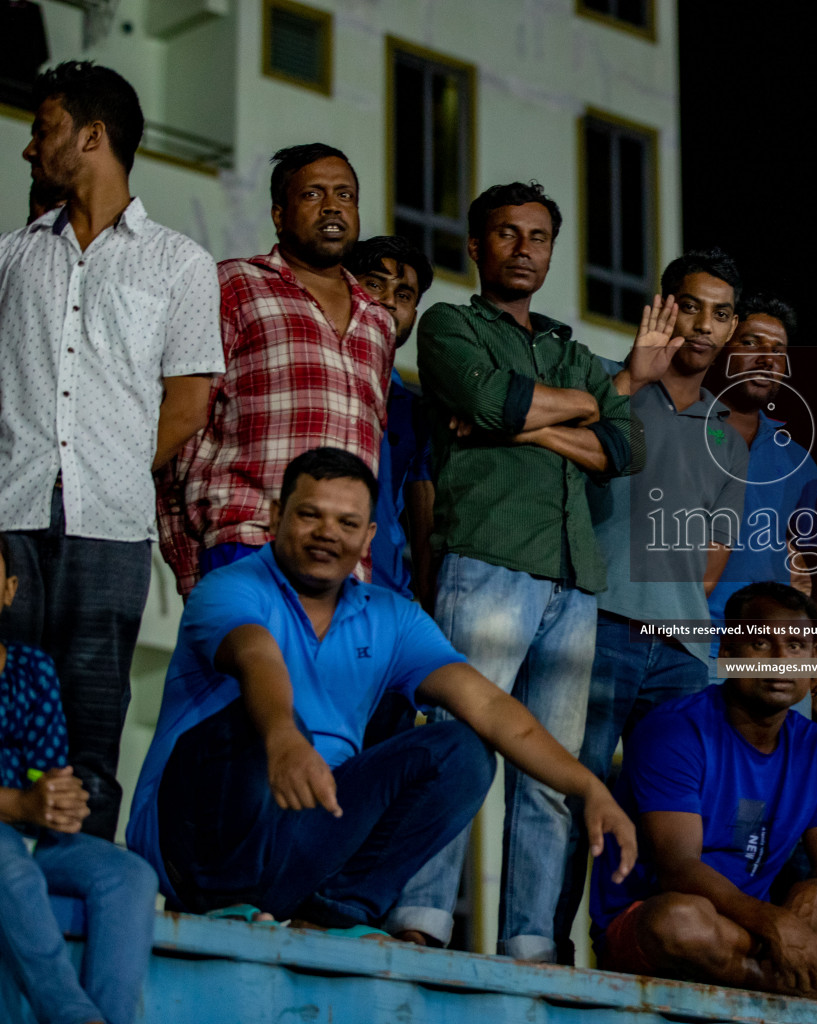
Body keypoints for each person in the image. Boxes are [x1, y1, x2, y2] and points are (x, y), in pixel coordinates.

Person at [125, 448, 636, 936]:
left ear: (369, 535)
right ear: (278, 514)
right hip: (196, 845)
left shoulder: (391, 617)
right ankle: (224, 904)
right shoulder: (232, 587)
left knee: (463, 750)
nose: (328, 534)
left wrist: (589, 788)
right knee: (255, 721)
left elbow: (491, 705)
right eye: (310, 515)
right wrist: (283, 735)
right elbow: (257, 656)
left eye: (347, 523)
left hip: (303, 834)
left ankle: (332, 914)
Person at [389, 182, 644, 957]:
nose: (524, 248)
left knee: (553, 775)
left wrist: (526, 426)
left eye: (538, 236)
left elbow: (623, 447)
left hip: (574, 578)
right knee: (457, 746)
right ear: (476, 246)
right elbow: (489, 399)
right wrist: (570, 412)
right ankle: (422, 922)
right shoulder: (448, 325)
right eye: (507, 234)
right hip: (490, 557)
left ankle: (533, 940)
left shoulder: (571, 350)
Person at [0, 61, 223, 838]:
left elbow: (190, 403)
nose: (32, 149)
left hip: (112, 528)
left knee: (91, 728)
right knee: (2, 718)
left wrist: (112, 471)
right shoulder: (12, 259)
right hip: (10, 523)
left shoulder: (180, 264)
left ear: (92, 136)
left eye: (44, 129)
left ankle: (78, 904)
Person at [586, 581, 817, 1010]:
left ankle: (765, 975)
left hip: (748, 931)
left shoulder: (813, 744)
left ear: (814, 662)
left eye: (796, 647)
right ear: (728, 655)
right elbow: (678, 868)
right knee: (680, 922)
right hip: (661, 919)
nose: (780, 662)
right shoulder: (675, 728)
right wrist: (773, 923)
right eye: (760, 643)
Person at [552, 250, 751, 960]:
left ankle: (627, 945)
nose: (704, 324)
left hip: (682, 654)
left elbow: (711, 560)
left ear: (731, 330)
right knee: (574, 798)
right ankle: (547, 946)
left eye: (721, 313)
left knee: (666, 814)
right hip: (597, 625)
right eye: (691, 305)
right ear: (663, 306)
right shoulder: (613, 385)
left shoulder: (731, 435)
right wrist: (629, 373)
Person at [157, 142, 395, 595]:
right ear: (279, 215)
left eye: (345, 195)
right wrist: (190, 566)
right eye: (313, 195)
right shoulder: (234, 284)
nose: (332, 206)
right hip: (247, 541)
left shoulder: (378, 322)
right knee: (249, 668)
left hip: (342, 563)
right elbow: (186, 429)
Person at [0, 534, 160, 1024]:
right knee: (10, 865)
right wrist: (21, 804)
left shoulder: (32, 668)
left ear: (8, 590)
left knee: (130, 876)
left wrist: (57, 800)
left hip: (33, 835)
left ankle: (112, 1017)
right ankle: (74, 1016)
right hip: (7, 842)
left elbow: (48, 771)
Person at [704, 292, 817, 695]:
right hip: (680, 642)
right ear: (721, 348)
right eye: (751, 343)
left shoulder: (794, 457)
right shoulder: (683, 427)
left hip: (770, 656)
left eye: (778, 351)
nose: (767, 358)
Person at [344, 235, 436, 606]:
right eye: (374, 284)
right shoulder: (312, 374)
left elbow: (425, 528)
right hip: (306, 585)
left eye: (404, 296)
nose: (386, 302)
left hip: (385, 598)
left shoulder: (413, 411)